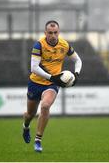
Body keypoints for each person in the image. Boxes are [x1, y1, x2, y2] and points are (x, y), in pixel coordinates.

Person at [22, 20, 82, 152]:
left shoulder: (64, 45)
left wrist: (76, 74)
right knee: (29, 114)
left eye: (55, 33)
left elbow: (77, 60)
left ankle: (38, 140)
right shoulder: (39, 45)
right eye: (50, 33)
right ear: (45, 33)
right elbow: (34, 68)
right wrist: (51, 76)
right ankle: (26, 126)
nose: (53, 35)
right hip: (35, 83)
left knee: (45, 106)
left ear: (58, 32)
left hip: (52, 84)